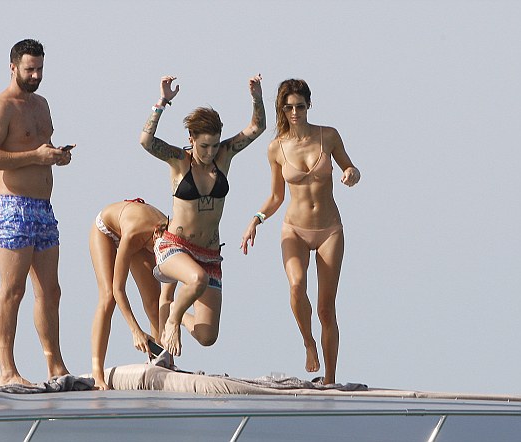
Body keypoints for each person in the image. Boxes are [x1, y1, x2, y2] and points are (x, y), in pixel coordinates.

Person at [240, 78, 360, 385]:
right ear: (282, 109)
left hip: (329, 230)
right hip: (294, 229)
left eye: (300, 107)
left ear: (309, 105)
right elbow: (276, 197)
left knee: (326, 309)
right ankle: (308, 342)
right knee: (296, 286)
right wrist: (256, 219)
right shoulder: (276, 148)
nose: (295, 113)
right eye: (289, 107)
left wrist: (350, 173)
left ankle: (330, 379)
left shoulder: (328, 136)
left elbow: (351, 168)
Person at [139, 75, 266, 357]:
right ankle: (172, 320)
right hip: (175, 247)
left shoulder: (224, 156)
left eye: (214, 145)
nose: (210, 152)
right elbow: (146, 141)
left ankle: (176, 310)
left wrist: (256, 98)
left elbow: (257, 127)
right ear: (191, 139)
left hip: (209, 255)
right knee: (196, 279)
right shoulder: (179, 160)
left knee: (208, 336)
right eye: (204, 146)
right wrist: (162, 102)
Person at [0, 39, 74, 386]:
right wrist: (36, 156)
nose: (35, 75)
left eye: (40, 69)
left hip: (43, 208)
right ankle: (7, 370)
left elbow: (40, 148)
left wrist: (57, 156)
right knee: (13, 289)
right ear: (13, 67)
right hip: (13, 206)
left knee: (51, 290)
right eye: (29, 69)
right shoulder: (0, 107)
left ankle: (55, 366)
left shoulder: (42, 105)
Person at [90, 198, 174, 390]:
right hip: (106, 230)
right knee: (108, 297)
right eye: (158, 251)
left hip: (144, 235)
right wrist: (136, 331)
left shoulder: (170, 238)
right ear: (156, 234)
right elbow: (118, 289)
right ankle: (97, 374)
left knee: (154, 302)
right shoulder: (133, 234)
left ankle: (161, 361)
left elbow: (166, 298)